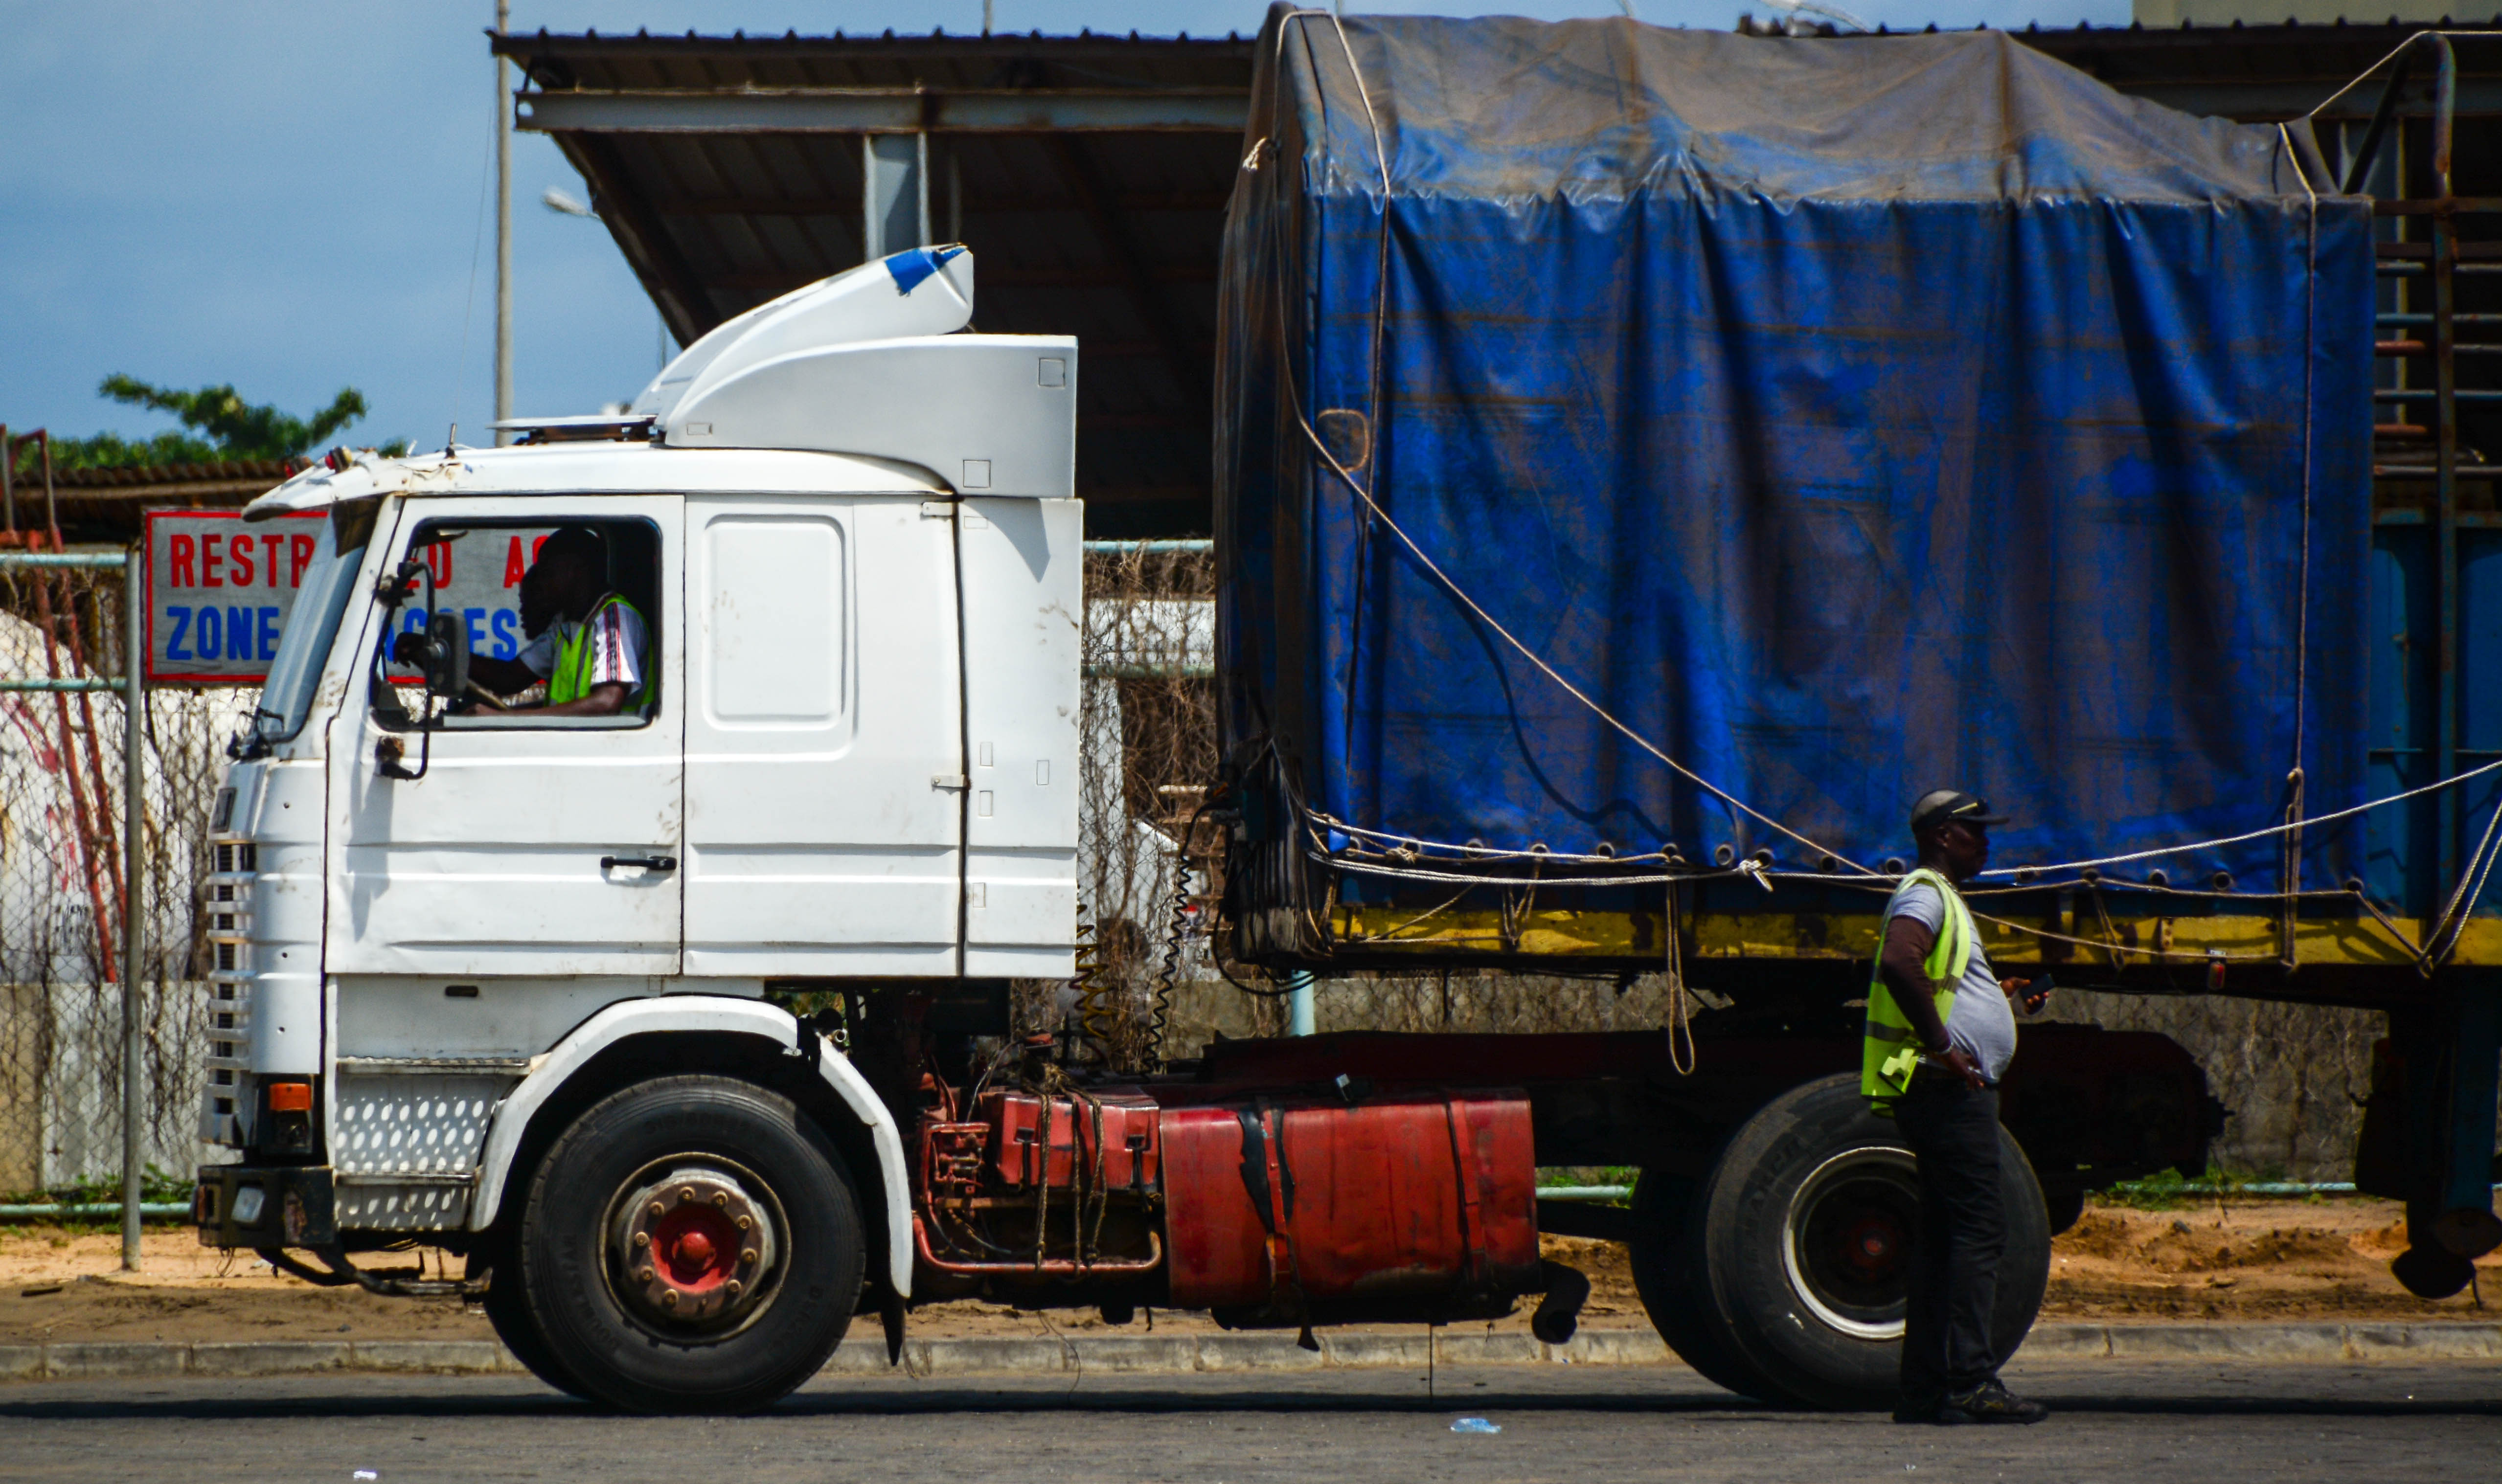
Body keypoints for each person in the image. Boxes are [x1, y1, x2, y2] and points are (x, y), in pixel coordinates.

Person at [1865, 789, 2052, 1426]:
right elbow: (1900, 960)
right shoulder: (1924, 892)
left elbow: (1941, 980)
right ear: (1943, 835)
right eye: (1975, 831)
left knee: (1946, 1238)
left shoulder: (1945, 898)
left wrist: (2000, 996)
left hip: (1944, 1088)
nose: (1986, 841)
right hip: (1948, 1090)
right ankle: (1971, 1381)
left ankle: (1923, 1392)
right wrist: (1944, 1045)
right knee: (1980, 1230)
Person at [399, 525, 647, 717]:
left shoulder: (614, 617)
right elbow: (509, 678)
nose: (543, 583)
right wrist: (438, 653)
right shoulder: (566, 625)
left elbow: (607, 702)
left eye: (549, 573)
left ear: (576, 571)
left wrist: (502, 719)